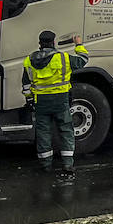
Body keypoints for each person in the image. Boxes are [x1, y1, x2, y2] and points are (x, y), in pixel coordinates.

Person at [22, 30, 89, 177]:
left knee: (43, 132)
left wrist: (29, 100)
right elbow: (83, 60)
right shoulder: (63, 58)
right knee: (66, 130)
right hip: (60, 101)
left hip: (41, 102)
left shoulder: (29, 60)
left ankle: (46, 164)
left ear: (40, 43)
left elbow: (26, 85)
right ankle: (67, 164)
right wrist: (78, 44)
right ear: (53, 42)